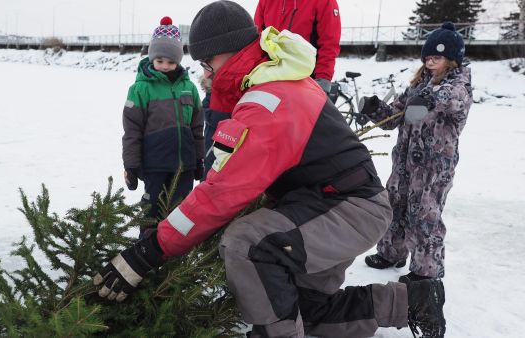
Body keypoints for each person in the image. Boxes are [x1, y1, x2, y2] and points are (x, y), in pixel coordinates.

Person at [95, 2, 446, 337]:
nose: (205, 72)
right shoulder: (273, 79)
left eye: (207, 61)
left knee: (245, 243)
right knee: (305, 309)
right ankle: (412, 303)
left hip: (347, 210)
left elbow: (221, 194)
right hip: (327, 206)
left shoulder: (268, 101)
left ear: (228, 51)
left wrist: (147, 253)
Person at [361, 22, 473, 283]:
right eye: (428, 56)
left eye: (438, 56)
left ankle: (426, 272)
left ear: (452, 60)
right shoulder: (417, 86)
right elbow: (393, 119)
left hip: (434, 167)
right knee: (395, 205)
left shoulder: (459, 86)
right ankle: (391, 253)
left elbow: (451, 99)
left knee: (424, 214)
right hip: (404, 163)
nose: (431, 60)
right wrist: (375, 108)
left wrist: (431, 99)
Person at [121, 16, 204, 234]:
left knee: (182, 210)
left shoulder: (189, 88)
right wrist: (131, 165)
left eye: (171, 62)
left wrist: (198, 159)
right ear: (151, 58)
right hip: (154, 165)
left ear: (179, 60)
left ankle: (178, 255)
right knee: (152, 210)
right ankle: (146, 249)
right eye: (160, 61)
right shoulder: (140, 89)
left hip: (184, 166)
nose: (165, 66)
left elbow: (197, 128)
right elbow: (132, 130)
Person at [253, 0, 341, 95]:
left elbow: (328, 44)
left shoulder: (324, 2)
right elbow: (256, 39)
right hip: (269, 79)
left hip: (306, 81)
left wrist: (323, 79)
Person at [198, 75, 230, 180]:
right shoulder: (208, 100)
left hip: (232, 142)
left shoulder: (233, 97)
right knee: (210, 171)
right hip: (213, 143)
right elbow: (215, 119)